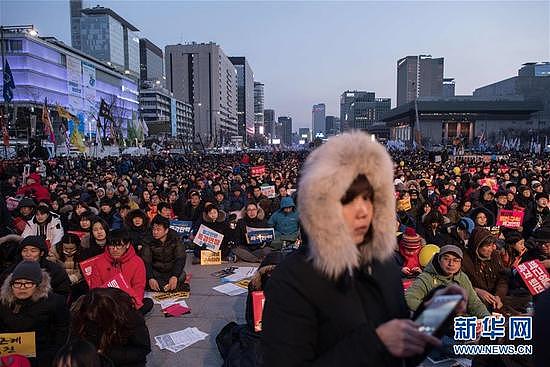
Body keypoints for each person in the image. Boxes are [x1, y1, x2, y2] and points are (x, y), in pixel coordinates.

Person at [261, 132, 466, 367]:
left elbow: (403, 353)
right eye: (348, 199)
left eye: (368, 198)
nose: (363, 211)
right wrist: (375, 343)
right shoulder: (292, 279)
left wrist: (435, 314)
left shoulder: (384, 264)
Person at [0, 260, 70, 367]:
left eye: (28, 283)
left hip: (42, 359)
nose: (22, 288)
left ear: (38, 284)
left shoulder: (54, 303)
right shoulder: (3, 302)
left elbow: (61, 334)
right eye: (17, 283)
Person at [70, 288, 151, 367]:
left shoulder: (132, 319)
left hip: (124, 361)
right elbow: (78, 338)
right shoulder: (86, 316)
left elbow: (142, 349)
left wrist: (105, 353)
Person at [405, 245, 490, 318]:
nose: (451, 264)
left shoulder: (462, 278)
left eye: (456, 260)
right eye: (446, 259)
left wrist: (487, 318)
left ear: (460, 263)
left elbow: (474, 303)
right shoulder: (426, 278)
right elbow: (409, 298)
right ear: (439, 259)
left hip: (459, 323)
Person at [88, 229, 152, 314]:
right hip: (105, 303)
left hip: (127, 303)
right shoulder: (99, 261)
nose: (115, 249)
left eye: (119, 246)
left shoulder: (137, 262)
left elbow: (138, 287)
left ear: (127, 245)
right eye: (111, 246)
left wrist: (128, 304)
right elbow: (95, 288)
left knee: (147, 302)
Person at [1, 236, 71, 298]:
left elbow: (62, 293)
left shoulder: (55, 270)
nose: (28, 254)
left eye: (33, 251)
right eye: (24, 251)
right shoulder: (13, 269)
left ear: (42, 253)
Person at [141, 215, 187, 292]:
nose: (155, 232)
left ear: (166, 230)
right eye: (153, 229)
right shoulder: (147, 240)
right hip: (155, 271)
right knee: (145, 279)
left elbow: (180, 258)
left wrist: (174, 276)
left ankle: (165, 286)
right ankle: (166, 286)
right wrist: (150, 277)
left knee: (182, 275)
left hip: (170, 270)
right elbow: (146, 261)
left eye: (158, 230)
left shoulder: (175, 238)